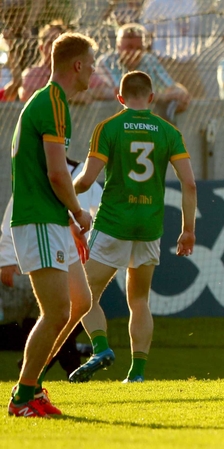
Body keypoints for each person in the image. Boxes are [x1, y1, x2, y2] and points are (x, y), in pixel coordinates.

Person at [69, 70, 197, 384]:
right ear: (152, 98)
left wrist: (64, 196)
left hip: (114, 223)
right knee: (139, 300)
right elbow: (190, 184)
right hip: (150, 226)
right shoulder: (168, 132)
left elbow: (86, 180)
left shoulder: (109, 128)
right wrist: (188, 229)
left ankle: (100, 348)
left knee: (83, 295)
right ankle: (137, 373)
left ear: (120, 97)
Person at [7, 31, 95, 418]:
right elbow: (58, 175)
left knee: (80, 301)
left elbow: (49, 175)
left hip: (51, 218)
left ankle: (32, 383)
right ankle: (24, 395)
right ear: (77, 65)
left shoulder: (50, 101)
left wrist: (69, 222)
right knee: (58, 310)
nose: (94, 70)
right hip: (40, 220)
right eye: (91, 63)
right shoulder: (53, 102)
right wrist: (78, 212)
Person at [1, 157, 102, 378]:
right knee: (57, 313)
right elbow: (13, 210)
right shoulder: (42, 169)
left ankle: (37, 371)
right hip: (46, 240)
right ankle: (30, 381)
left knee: (78, 305)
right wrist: (6, 258)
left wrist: (93, 245)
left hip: (75, 250)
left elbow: (100, 216)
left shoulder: (87, 178)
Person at [95, 23, 191, 114]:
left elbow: (170, 86)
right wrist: (164, 97)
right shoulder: (107, 62)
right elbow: (126, 93)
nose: (134, 52)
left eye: (139, 48)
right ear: (118, 47)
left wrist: (181, 93)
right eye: (129, 47)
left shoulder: (149, 60)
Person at [20, 22, 112, 104]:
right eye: (50, 43)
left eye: (60, 45)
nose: (54, 49)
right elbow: (28, 98)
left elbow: (108, 92)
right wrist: (72, 95)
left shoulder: (81, 68)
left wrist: (88, 93)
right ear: (41, 48)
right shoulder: (32, 75)